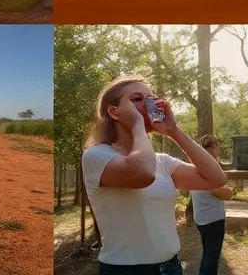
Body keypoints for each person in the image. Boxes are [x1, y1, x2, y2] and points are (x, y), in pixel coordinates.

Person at [81, 77, 228, 275]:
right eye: (137, 99)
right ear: (113, 111)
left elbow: (216, 179)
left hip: (171, 267)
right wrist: (137, 125)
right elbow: (144, 174)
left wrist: (174, 131)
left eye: (150, 98)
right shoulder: (97, 156)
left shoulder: (162, 161)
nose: (149, 104)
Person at [189, 135, 232, 275]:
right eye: (217, 146)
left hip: (201, 217)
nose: (217, 150)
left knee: (208, 253)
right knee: (211, 258)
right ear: (214, 148)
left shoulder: (195, 166)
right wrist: (230, 191)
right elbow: (219, 191)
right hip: (213, 219)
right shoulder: (209, 167)